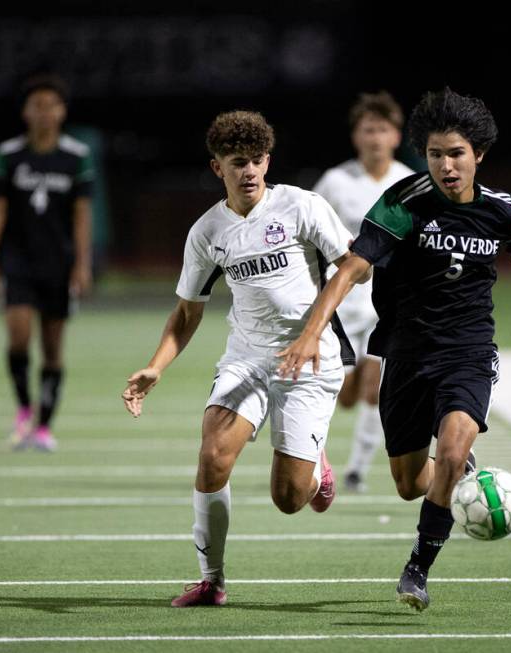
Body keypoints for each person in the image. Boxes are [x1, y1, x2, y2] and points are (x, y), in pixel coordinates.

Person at [277, 88, 511, 611]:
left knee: (452, 450)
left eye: (456, 153)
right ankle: (455, 474)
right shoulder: (404, 202)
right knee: (411, 483)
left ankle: (418, 569)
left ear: (478, 154)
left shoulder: (502, 210)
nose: (446, 165)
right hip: (406, 353)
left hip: (469, 352)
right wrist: (310, 329)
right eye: (435, 154)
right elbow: (352, 267)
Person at [120, 110, 366, 607]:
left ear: (268, 161)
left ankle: (315, 466)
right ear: (218, 168)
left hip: (311, 364)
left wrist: (311, 333)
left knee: (289, 499)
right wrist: (156, 366)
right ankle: (212, 580)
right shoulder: (207, 232)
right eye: (238, 163)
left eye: (256, 161)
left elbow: (355, 267)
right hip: (247, 360)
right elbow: (187, 313)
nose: (249, 171)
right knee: (212, 456)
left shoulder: (301, 206)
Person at [0, 73, 94, 452]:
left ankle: (44, 424)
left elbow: (82, 214)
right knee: (19, 334)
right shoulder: (9, 155)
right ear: (25, 111)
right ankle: (24, 407)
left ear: (62, 111)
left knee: (53, 345)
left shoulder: (75, 157)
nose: (44, 112)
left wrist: (82, 263)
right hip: (19, 260)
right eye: (37, 105)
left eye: (51, 105)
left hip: (58, 262)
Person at [312, 91, 414, 492]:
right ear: (356, 136)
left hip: (387, 303)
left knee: (377, 385)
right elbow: (312, 234)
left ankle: (356, 469)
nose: (375, 137)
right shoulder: (336, 182)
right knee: (347, 394)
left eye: (383, 129)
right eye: (368, 129)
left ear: (396, 135)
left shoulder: (408, 181)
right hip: (343, 302)